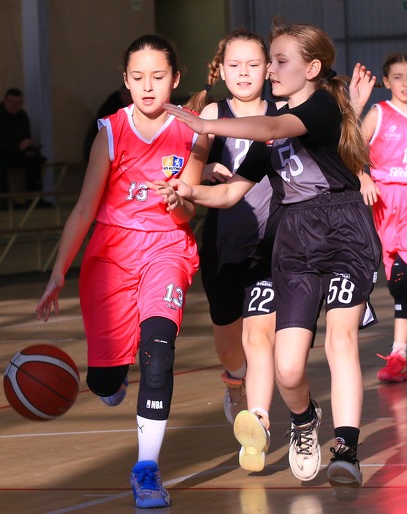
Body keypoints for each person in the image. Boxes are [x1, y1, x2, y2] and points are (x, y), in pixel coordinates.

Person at [159, 19, 381, 497]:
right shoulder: (272, 139)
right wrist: (185, 191)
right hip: (296, 240)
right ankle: (304, 418)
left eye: (279, 61)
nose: (272, 70)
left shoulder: (319, 106)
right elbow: (229, 193)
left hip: (343, 231)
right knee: (288, 369)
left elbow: (273, 125)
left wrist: (205, 124)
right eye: (272, 61)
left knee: (341, 340)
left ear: (311, 69)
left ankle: (346, 449)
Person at [35, 34, 208, 509]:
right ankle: (112, 378)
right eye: (138, 77)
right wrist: (58, 272)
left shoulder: (193, 131)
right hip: (112, 252)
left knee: (159, 352)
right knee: (104, 383)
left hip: (167, 248)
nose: (148, 86)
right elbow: (84, 208)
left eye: (158, 76)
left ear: (175, 78)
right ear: (125, 81)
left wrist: (177, 200)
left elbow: (187, 212)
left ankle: (146, 470)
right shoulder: (110, 132)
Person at [185, 28, 284, 472]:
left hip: (272, 244)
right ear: (221, 71)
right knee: (230, 347)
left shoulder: (283, 113)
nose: (244, 73)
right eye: (235, 65)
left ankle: (258, 423)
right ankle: (235, 381)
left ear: (268, 70)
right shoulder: (212, 113)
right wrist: (205, 166)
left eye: (253, 65)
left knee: (260, 337)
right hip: (223, 244)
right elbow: (188, 170)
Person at [349, 55, 407, 383]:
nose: (405, 83)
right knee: (394, 281)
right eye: (398, 77)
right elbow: (351, 150)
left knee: (401, 279)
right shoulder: (379, 114)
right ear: (387, 81)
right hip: (383, 200)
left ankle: (398, 356)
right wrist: (363, 176)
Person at [0, 88, 51, 210]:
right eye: (11, 102)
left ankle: (35, 199)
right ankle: (4, 200)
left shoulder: (22, 116)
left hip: (11, 152)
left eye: (18, 103)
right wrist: (18, 147)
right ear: (4, 100)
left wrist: (28, 148)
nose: (14, 106)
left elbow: (24, 138)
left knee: (34, 159)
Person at [83, 84, 132, 160]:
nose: (126, 97)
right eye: (124, 94)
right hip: (102, 143)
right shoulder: (112, 107)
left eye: (128, 95)